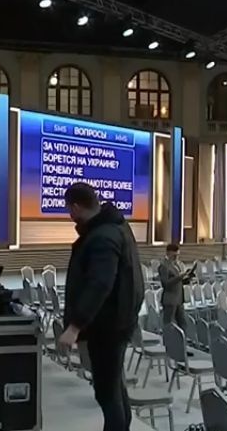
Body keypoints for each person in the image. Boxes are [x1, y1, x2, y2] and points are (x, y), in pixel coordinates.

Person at [59, 183, 144, 431]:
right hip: (118, 322)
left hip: (107, 327)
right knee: (114, 387)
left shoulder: (103, 237)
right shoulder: (116, 227)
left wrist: (75, 327)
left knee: (107, 392)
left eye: (69, 209)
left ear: (76, 207)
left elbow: (100, 284)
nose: (69, 214)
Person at [158, 243, 189, 330]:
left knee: (183, 323)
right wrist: (180, 277)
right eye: (174, 255)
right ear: (168, 253)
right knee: (169, 324)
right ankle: (168, 338)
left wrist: (187, 279)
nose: (176, 257)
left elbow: (179, 282)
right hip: (170, 299)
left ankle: (183, 338)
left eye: (177, 255)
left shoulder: (177, 265)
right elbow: (165, 283)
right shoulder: (163, 266)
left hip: (179, 299)